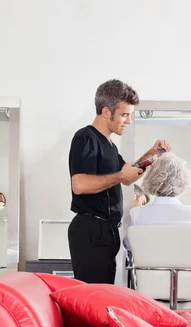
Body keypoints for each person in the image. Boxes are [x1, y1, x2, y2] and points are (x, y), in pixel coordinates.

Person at [68, 79, 170, 284]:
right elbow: (79, 185)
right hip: (90, 229)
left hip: (106, 230)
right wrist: (119, 176)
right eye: (124, 115)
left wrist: (152, 154)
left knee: (104, 293)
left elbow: (127, 175)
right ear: (106, 112)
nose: (128, 121)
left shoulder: (110, 146)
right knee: (94, 297)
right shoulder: (86, 137)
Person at [124, 152, 191, 260]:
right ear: (183, 181)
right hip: (188, 276)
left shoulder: (137, 215)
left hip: (148, 276)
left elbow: (128, 245)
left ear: (152, 178)